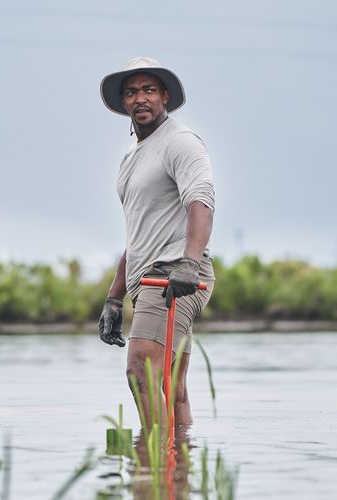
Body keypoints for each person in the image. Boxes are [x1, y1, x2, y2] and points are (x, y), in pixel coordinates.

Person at [97, 56, 216, 430]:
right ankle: (178, 473)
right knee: (172, 386)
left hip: (172, 277)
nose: (140, 98)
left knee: (140, 371)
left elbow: (202, 199)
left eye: (149, 89)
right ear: (123, 104)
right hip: (148, 278)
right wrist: (114, 298)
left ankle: (151, 470)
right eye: (131, 92)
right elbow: (138, 235)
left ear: (165, 95)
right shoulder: (131, 159)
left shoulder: (180, 142)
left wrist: (190, 262)